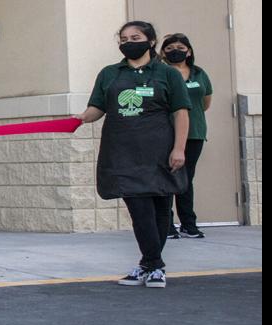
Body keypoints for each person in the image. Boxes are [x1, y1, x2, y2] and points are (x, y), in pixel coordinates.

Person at [76, 21, 189, 288]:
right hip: (122, 151)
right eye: (124, 39)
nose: (128, 43)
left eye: (135, 38)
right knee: (139, 208)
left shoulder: (168, 74)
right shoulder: (109, 74)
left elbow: (181, 112)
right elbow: (97, 108)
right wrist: (79, 118)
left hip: (159, 150)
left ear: (151, 41)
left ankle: (149, 265)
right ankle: (155, 265)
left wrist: (179, 148)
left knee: (161, 207)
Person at [159, 33, 212, 239]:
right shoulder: (160, 73)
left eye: (181, 48)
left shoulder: (199, 73)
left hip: (195, 132)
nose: (176, 51)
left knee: (186, 179)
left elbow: (205, 102)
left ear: (189, 51)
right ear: (163, 52)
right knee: (166, 178)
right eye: (170, 48)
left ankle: (188, 224)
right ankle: (166, 225)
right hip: (165, 133)